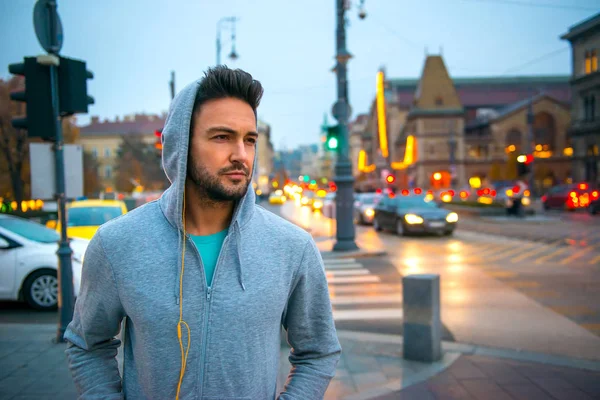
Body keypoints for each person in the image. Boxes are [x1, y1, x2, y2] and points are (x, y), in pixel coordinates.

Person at [64, 66, 341, 399]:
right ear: (182, 146)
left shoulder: (291, 247)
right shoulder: (117, 244)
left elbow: (318, 351)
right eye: (222, 137)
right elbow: (87, 344)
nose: (241, 154)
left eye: (249, 140)